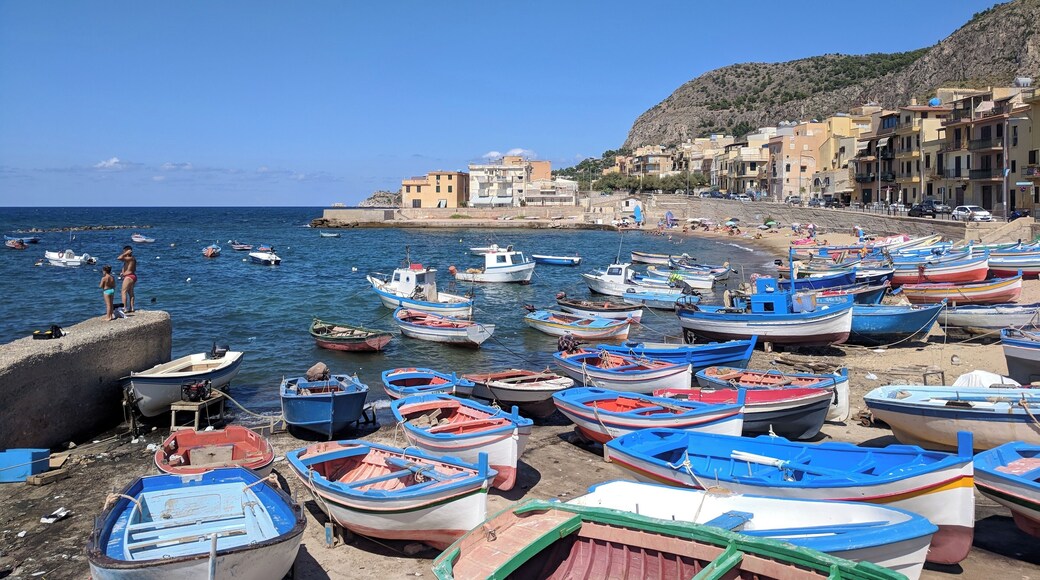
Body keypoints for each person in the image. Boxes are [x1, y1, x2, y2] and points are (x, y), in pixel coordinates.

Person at [117, 245, 137, 313]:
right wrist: (122, 273)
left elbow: (119, 258)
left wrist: (126, 253)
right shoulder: (131, 259)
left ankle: (124, 308)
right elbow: (127, 268)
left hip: (129, 277)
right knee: (130, 292)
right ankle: (132, 308)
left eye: (124, 251)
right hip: (132, 276)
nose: (123, 253)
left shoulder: (130, 258)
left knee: (123, 292)